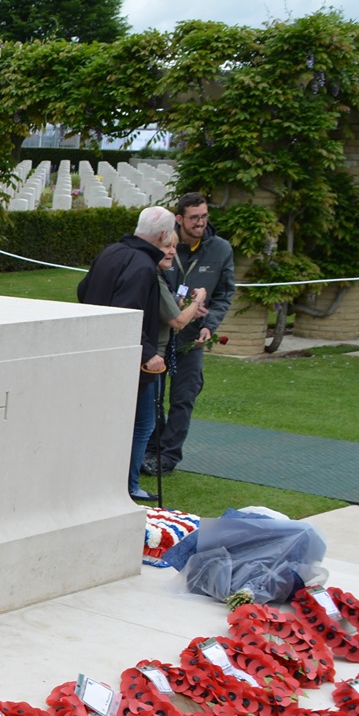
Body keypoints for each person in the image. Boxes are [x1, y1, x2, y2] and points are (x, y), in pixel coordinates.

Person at [77, 205, 179, 503]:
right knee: (142, 423)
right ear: (163, 235)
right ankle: (127, 485)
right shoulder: (143, 265)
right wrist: (148, 353)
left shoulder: (111, 252)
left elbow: (83, 290)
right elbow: (127, 314)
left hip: (96, 348)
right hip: (127, 358)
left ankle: (102, 481)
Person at [144, 193, 237, 478]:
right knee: (152, 396)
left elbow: (224, 294)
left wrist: (210, 324)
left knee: (184, 398)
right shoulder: (165, 244)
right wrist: (178, 304)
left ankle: (168, 456)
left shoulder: (220, 249)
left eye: (204, 216)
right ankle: (151, 448)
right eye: (194, 218)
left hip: (192, 339)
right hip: (161, 335)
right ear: (180, 219)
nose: (200, 223)